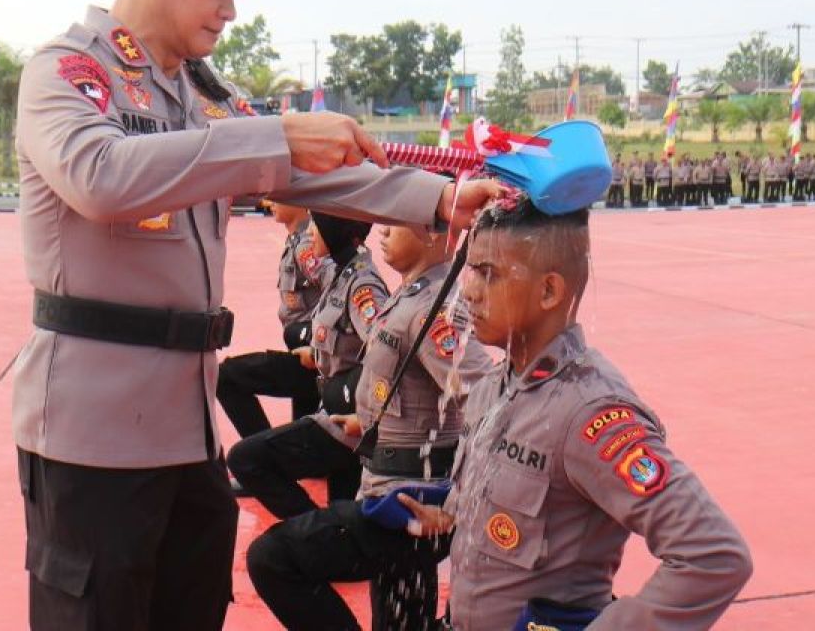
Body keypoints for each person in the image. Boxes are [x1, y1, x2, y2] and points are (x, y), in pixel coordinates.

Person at [12, 0, 503, 631]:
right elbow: (100, 178)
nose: (228, 10)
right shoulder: (70, 75)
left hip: (185, 431)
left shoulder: (204, 96)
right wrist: (272, 137)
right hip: (93, 439)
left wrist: (439, 198)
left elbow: (316, 171)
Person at [400, 195, 752, 629]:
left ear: (549, 290)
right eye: (470, 269)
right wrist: (453, 515)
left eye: (488, 274)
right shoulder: (495, 386)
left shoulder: (589, 413)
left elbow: (714, 555)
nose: (467, 290)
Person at [246, 224, 492, 631]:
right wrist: (369, 421)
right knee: (400, 618)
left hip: (411, 498)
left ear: (435, 234)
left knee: (273, 558)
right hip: (389, 483)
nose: (384, 232)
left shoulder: (436, 310)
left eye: (399, 223)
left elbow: (487, 402)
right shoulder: (411, 296)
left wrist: (461, 499)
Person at [228, 213, 386, 518]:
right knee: (341, 514)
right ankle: (322, 536)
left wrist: (364, 417)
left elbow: (382, 355)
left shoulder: (361, 284)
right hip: (332, 401)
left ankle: (312, 532)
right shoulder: (342, 271)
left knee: (247, 458)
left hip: (346, 417)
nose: (310, 231)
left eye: (317, 224)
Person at [216, 202, 325, 444]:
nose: (266, 203)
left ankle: (264, 455)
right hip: (304, 351)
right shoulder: (298, 239)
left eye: (275, 198)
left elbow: (338, 290)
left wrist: (320, 347)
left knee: (226, 377)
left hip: (315, 359)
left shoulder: (307, 245)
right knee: (305, 440)